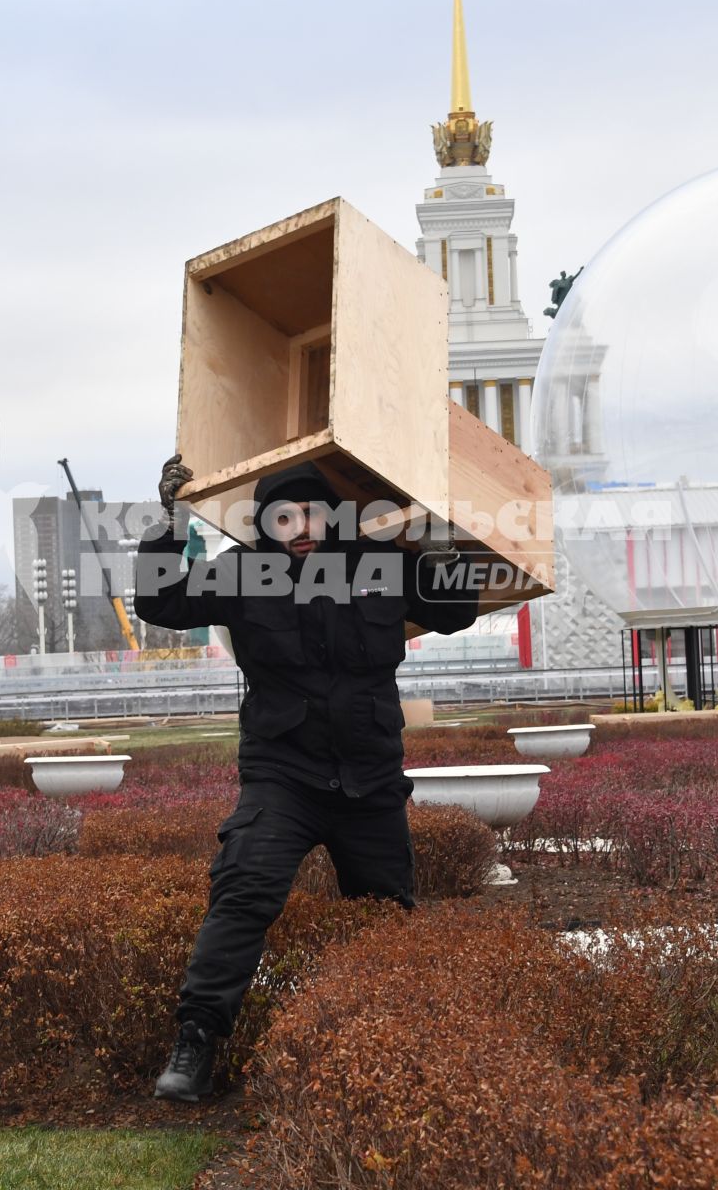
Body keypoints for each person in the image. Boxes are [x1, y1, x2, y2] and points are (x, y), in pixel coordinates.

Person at [134, 455, 478, 1103]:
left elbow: (456, 609)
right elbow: (159, 601)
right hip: (282, 778)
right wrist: (170, 520)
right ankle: (197, 1042)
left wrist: (439, 541)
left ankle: (392, 1051)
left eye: (311, 511)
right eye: (283, 516)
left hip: (370, 780)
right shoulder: (242, 573)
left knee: (386, 917)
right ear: (265, 525)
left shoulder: (382, 565)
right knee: (244, 890)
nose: (299, 525)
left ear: (335, 515)